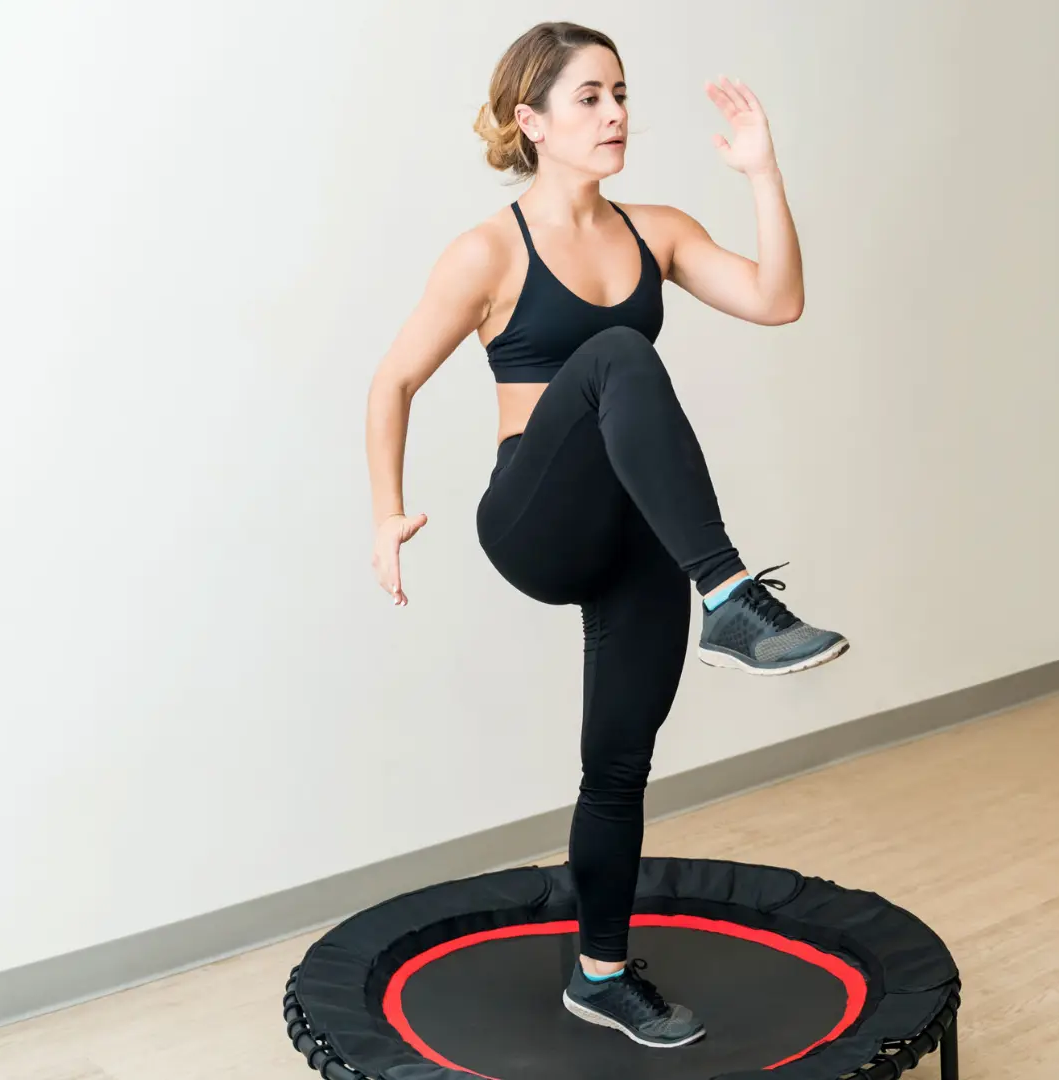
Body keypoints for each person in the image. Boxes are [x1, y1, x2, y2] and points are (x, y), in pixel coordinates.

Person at [363, 21, 846, 1050]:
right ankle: (730, 599)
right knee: (619, 354)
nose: (617, 113)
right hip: (533, 519)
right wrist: (385, 513)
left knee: (617, 766)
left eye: (621, 93)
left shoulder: (655, 230)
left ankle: (602, 974)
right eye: (590, 97)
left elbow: (780, 298)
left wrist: (764, 173)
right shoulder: (490, 250)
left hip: (634, 533)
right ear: (531, 122)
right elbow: (393, 379)